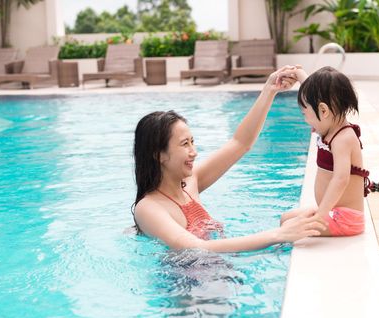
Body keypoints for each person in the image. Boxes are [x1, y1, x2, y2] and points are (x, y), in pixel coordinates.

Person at [132, 66, 325, 253]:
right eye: (184, 144)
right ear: (159, 155)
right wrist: (280, 234)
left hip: (218, 271)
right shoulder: (148, 208)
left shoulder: (189, 184)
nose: (194, 152)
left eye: (193, 142)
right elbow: (195, 247)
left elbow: (240, 143)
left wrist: (269, 91)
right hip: (183, 283)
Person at [280, 66, 379, 236]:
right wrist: (298, 74)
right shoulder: (330, 124)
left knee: (289, 227)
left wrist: (320, 216)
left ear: (323, 111)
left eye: (305, 114)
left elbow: (341, 179)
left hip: (346, 220)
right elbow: (313, 94)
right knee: (286, 218)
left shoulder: (343, 138)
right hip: (333, 212)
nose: (306, 120)